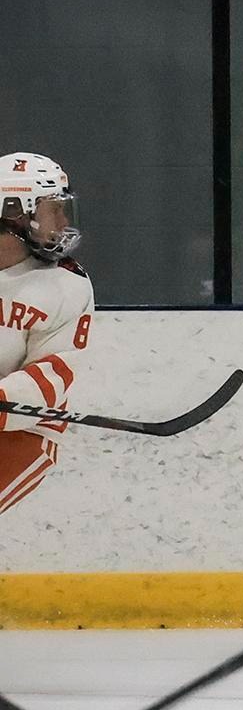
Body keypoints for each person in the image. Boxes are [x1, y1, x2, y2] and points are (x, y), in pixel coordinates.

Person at [0, 152, 92, 517]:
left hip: (21, 431)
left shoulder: (67, 286)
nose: (64, 220)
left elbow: (52, 377)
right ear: (15, 213)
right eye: (54, 208)